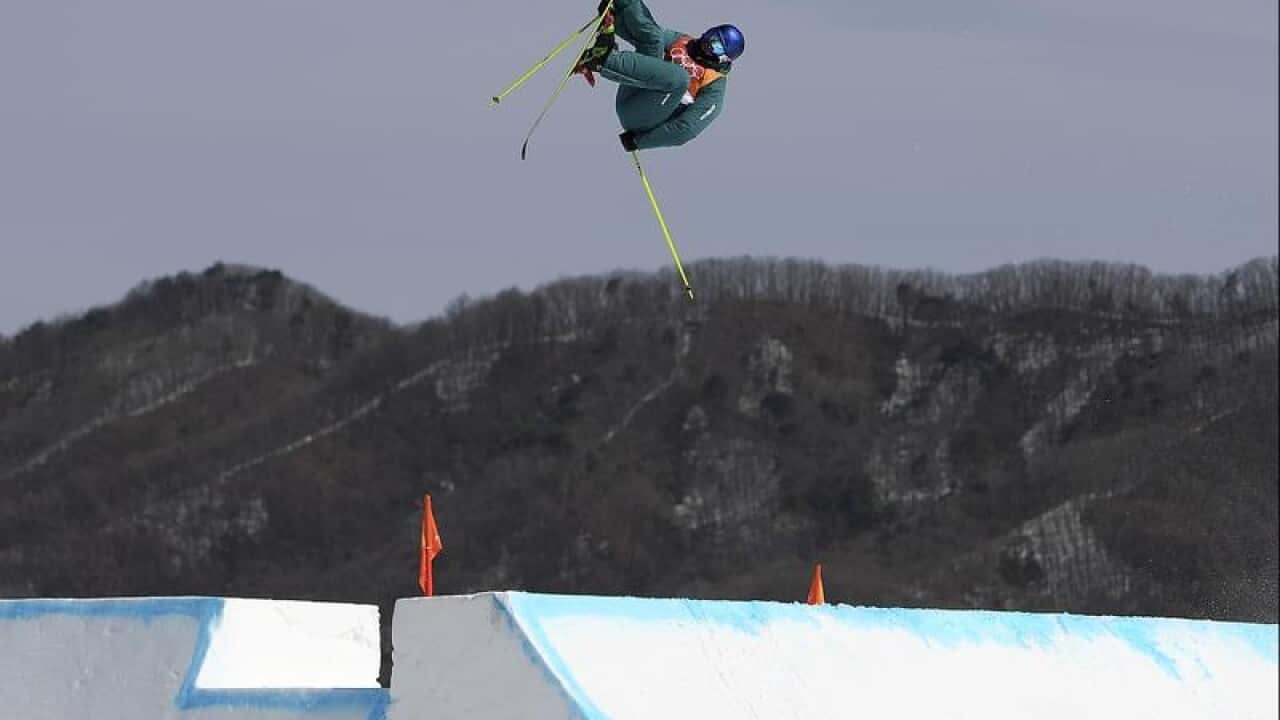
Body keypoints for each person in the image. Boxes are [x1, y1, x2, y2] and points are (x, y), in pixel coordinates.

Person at [575, 0, 744, 151]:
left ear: (724, 57)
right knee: (654, 37)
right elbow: (646, 35)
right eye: (712, 36)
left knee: (679, 79)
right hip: (634, 90)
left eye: (717, 46)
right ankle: (623, 5)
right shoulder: (684, 42)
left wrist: (640, 141)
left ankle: (603, 59)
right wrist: (616, 18)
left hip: (643, 117)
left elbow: (687, 129)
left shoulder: (715, 84)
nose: (708, 44)